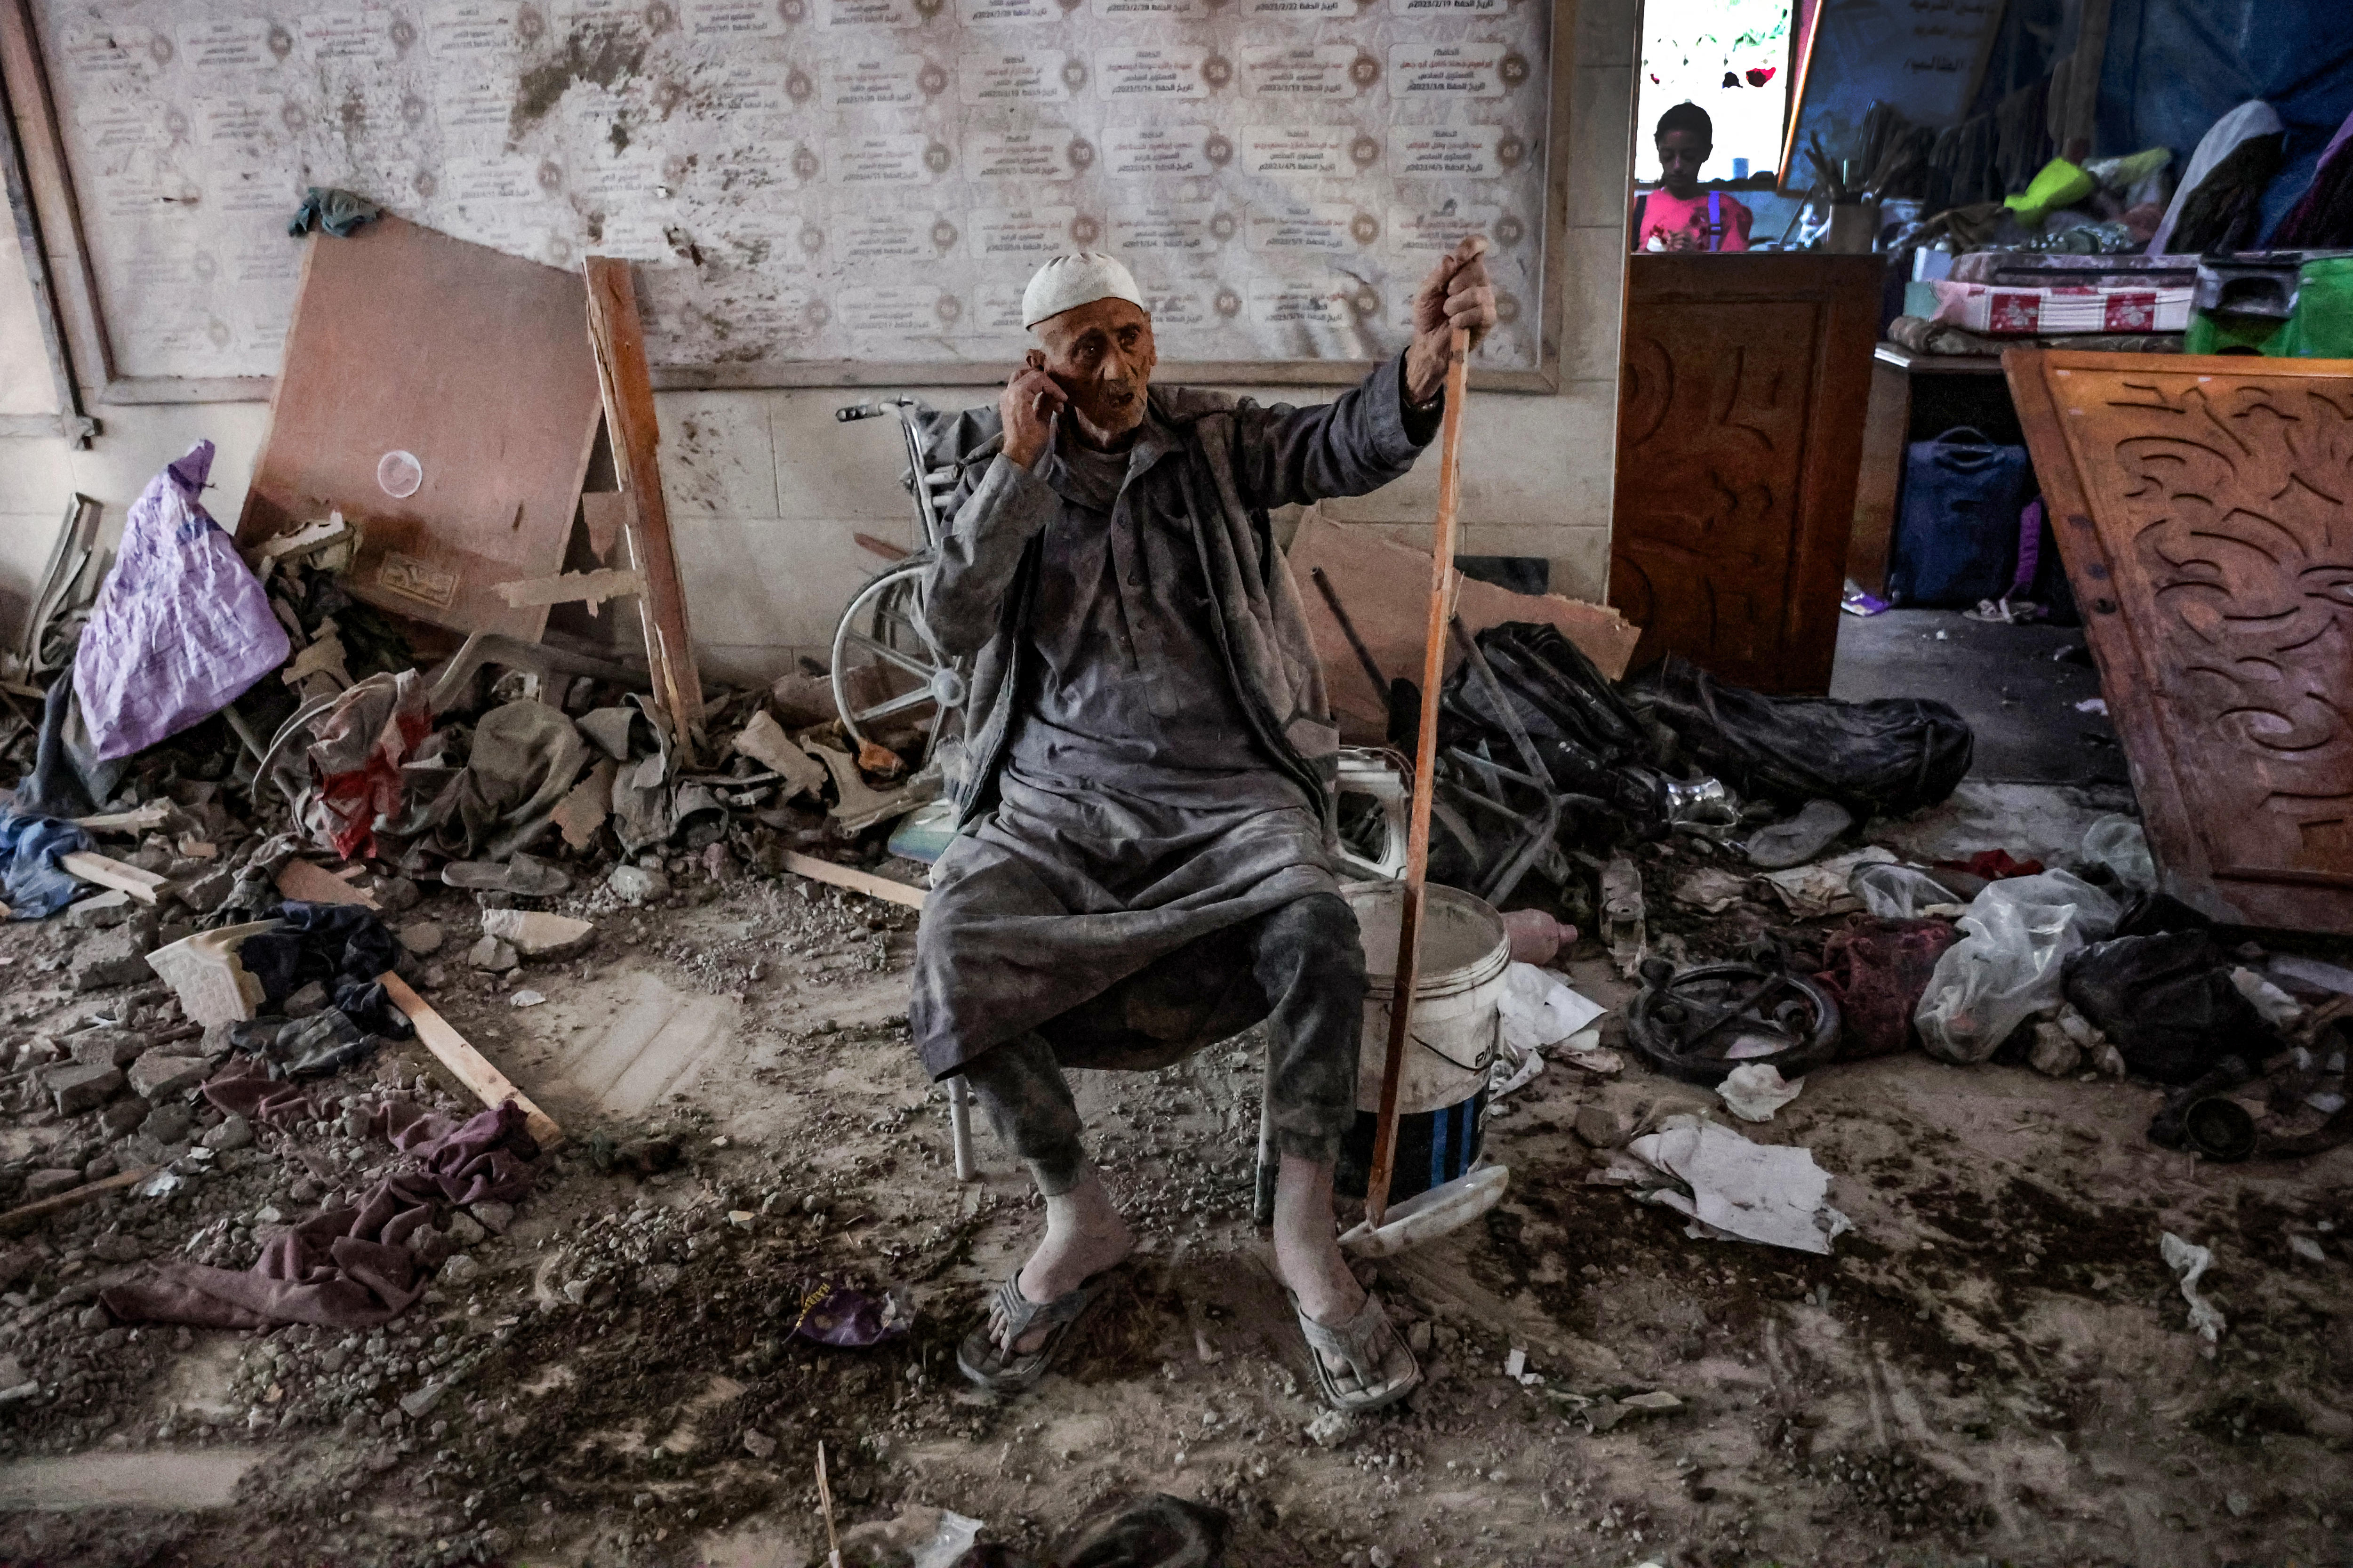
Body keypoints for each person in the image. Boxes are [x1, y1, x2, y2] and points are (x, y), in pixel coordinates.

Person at [910, 240, 1497, 1413]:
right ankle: (1078, 1217)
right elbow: (949, 623)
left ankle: (1301, 1231)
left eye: (1131, 337)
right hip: (1053, 801)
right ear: (1042, 367)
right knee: (954, 948)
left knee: (1316, 927)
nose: (1118, 367)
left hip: (1230, 790)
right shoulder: (983, 460)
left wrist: (1421, 371)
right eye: (1088, 348)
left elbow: (1335, 445)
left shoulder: (1212, 441)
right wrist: (1019, 470)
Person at [1633, 102, 1753, 253]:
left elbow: (1736, 272)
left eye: (1688, 157)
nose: (1677, 166)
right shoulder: (1637, 209)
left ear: (1706, 153)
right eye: (1668, 156)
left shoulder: (1727, 210)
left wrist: (1696, 259)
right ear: (1658, 151)